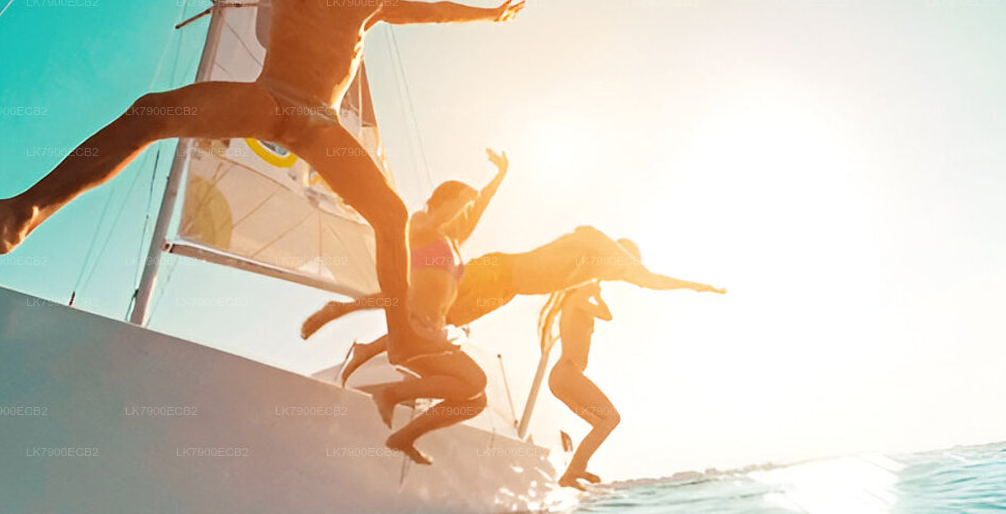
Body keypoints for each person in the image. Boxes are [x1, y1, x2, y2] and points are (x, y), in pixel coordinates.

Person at [0, 0, 523, 363]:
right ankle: (19, 216)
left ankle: (402, 338)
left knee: (393, 214)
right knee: (151, 112)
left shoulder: (367, 4)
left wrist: (488, 15)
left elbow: (434, 10)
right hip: (268, 100)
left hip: (322, 126)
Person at [308, 227, 725, 384]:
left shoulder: (603, 268)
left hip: (503, 290)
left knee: (436, 321)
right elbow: (648, 277)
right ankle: (343, 308)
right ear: (620, 251)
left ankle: (365, 350)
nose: (625, 272)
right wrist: (696, 285)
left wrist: (694, 286)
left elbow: (649, 280)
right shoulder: (594, 239)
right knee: (423, 304)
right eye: (625, 262)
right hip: (497, 270)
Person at [375, 150, 507, 464]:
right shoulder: (419, 223)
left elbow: (477, 210)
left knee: (475, 401)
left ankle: (403, 438)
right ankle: (390, 394)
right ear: (443, 201)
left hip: (435, 334)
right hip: (413, 327)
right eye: (458, 205)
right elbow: (431, 220)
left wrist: (498, 178)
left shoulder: (451, 239)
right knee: (475, 381)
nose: (462, 214)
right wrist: (462, 197)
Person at [545, 280, 616, 489]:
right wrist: (593, 291)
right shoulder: (575, 300)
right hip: (567, 373)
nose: (596, 285)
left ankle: (573, 471)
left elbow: (605, 313)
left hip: (562, 376)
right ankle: (575, 470)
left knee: (601, 423)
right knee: (611, 418)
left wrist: (597, 295)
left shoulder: (579, 304)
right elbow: (606, 315)